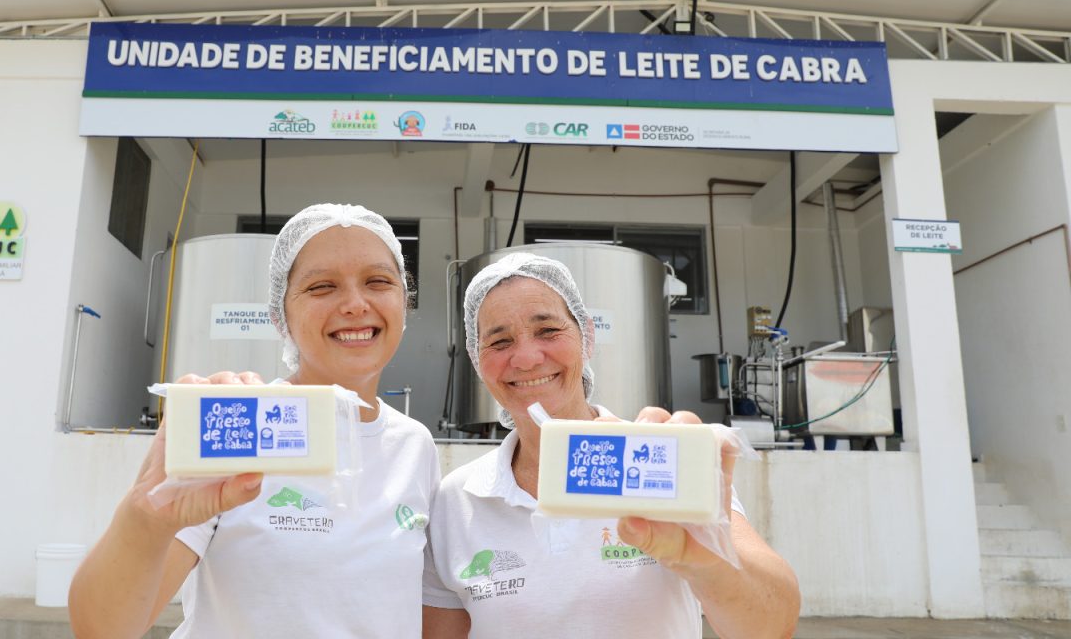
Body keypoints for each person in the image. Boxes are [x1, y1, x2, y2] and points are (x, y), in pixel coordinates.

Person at [69, 204, 439, 639]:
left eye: (378, 282)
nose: (356, 305)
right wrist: (145, 515)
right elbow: (102, 630)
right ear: (280, 316)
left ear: (404, 301)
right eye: (322, 287)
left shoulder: (415, 445)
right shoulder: (239, 428)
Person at [422, 253, 800, 638]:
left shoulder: (659, 467)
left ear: (586, 336)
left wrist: (702, 557)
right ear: (477, 359)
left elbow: (773, 625)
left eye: (548, 331)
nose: (526, 358)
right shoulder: (458, 502)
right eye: (500, 341)